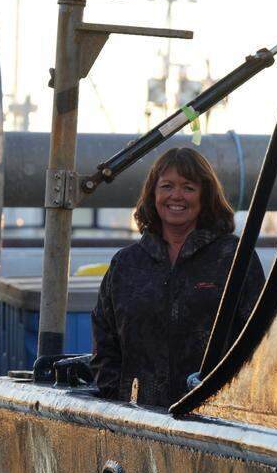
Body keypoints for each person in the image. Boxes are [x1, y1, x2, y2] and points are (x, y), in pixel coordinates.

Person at [91, 147, 265, 407]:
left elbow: (258, 338)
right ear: (153, 194)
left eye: (188, 187)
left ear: (205, 196)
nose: (176, 196)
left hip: (213, 420)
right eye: (167, 186)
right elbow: (105, 341)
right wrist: (117, 396)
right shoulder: (126, 264)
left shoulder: (233, 257)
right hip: (138, 421)